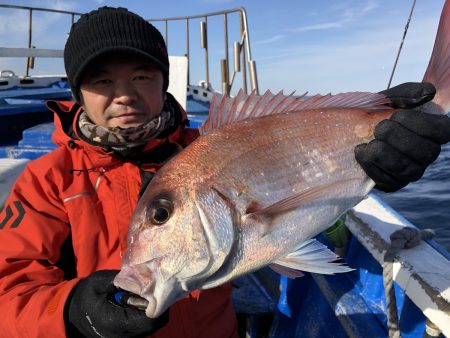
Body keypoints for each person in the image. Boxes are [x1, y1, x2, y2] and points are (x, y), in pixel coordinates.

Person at [0, 6, 448, 338]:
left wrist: (388, 162)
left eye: (141, 77)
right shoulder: (47, 179)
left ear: (163, 81)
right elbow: (8, 291)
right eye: (102, 81)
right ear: (78, 90)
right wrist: (72, 311)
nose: (123, 96)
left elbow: (317, 199)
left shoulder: (206, 150)